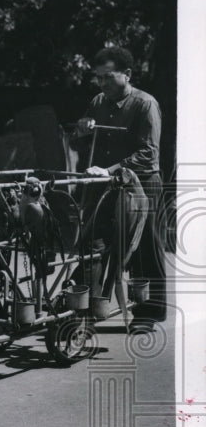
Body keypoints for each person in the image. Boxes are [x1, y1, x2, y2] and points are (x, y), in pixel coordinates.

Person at [71, 46, 167, 324]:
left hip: (142, 185)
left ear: (127, 74)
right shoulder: (98, 102)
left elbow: (148, 154)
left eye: (108, 77)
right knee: (94, 241)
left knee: (145, 247)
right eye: (98, 78)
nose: (102, 84)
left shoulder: (145, 104)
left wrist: (111, 169)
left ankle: (150, 312)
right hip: (108, 184)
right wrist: (81, 131)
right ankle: (84, 302)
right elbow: (82, 143)